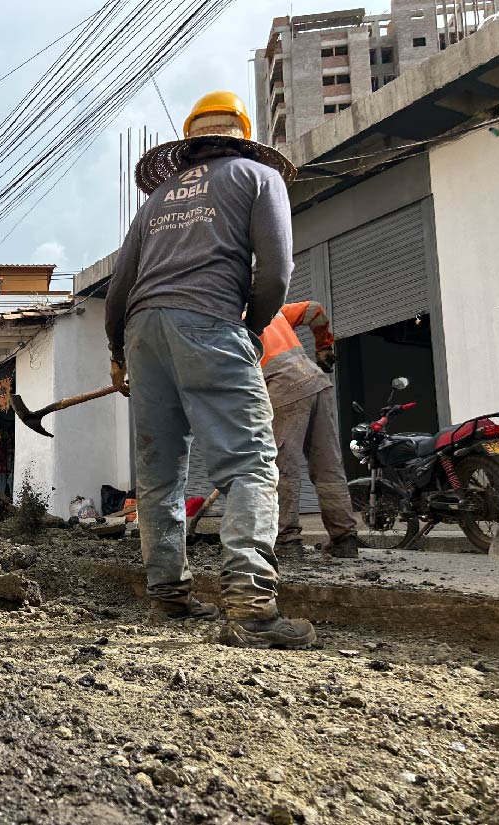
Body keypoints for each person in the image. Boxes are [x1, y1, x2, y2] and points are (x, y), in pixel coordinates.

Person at [105, 91, 316, 649]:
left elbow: (119, 288)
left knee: (160, 474)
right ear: (242, 133)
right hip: (212, 323)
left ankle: (168, 597)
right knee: (248, 462)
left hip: (142, 332)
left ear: (191, 141)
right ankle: (250, 608)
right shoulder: (257, 177)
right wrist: (250, 326)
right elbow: (276, 269)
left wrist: (119, 353)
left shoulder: (154, 204)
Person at [261, 302, 359, 558]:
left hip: (283, 385)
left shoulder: (228, 318)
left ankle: (286, 542)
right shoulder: (273, 307)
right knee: (329, 465)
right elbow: (315, 309)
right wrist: (323, 347)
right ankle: (344, 540)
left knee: (283, 467)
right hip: (316, 380)